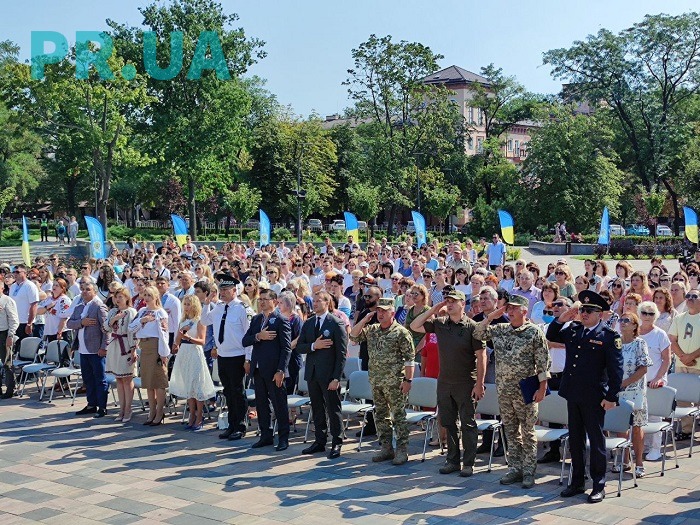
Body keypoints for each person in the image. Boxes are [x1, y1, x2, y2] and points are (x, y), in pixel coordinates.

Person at [547, 290, 624, 503]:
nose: (584, 313)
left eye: (589, 311)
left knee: (596, 441)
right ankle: (577, 481)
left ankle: (599, 484)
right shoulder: (573, 330)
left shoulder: (608, 336)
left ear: (600, 314)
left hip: (594, 396)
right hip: (573, 393)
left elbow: (616, 370)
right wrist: (561, 318)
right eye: (582, 310)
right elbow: (551, 336)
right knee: (575, 439)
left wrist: (612, 396)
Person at [474, 295, 551, 489]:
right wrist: (492, 315)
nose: (510, 311)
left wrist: (542, 389)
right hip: (505, 390)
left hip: (526, 392)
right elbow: (477, 333)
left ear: (524, 311)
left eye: (514, 308)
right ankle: (514, 468)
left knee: (528, 432)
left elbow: (543, 364)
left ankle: (528, 471)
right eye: (508, 308)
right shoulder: (501, 330)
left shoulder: (533, 333)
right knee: (510, 431)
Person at [410, 289, 486, 478]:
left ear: (463, 304)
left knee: (468, 424)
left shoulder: (472, 327)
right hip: (444, 382)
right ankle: (452, 460)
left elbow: (481, 356)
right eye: (447, 301)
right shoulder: (440, 324)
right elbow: (414, 325)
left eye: (454, 301)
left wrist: (480, 384)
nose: (449, 304)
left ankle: (468, 463)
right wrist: (434, 308)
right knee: (448, 422)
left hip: (466, 382)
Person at [350, 298, 415, 465]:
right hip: (376, 381)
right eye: (379, 310)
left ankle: (402, 449)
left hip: (395, 383)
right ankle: (386, 447)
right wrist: (364, 319)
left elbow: (409, 359)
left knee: (398, 416)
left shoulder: (401, 332)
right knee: (380, 416)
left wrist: (408, 380)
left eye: (384, 311)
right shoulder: (372, 330)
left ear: (392, 313)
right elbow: (353, 336)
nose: (380, 314)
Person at [201, 272, 253, 441]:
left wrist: (248, 358)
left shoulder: (243, 309)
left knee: (238, 392)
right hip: (222, 356)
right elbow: (204, 320)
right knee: (228, 392)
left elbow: (249, 336)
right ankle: (231, 424)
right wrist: (206, 304)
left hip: (237, 356)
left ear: (234, 290)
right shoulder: (218, 307)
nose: (222, 292)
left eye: (226, 289)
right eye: (220, 289)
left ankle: (240, 425)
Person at [296, 291, 348, 459]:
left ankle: (337, 442)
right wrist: (314, 346)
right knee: (317, 408)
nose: (315, 303)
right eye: (315, 300)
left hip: (329, 375)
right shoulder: (309, 323)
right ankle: (320, 441)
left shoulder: (335, 323)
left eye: (319, 301)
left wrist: (336, 378)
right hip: (313, 373)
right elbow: (300, 347)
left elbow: (341, 354)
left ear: (327, 303)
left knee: (333, 409)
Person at [241, 289, 292, 451]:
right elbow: (245, 340)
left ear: (274, 301)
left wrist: (281, 370)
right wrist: (258, 336)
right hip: (258, 369)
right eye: (260, 299)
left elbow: (286, 348)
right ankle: (266, 435)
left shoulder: (281, 320)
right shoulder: (256, 320)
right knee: (262, 404)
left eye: (265, 299)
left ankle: (283, 438)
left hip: (274, 370)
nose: (262, 302)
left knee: (279, 404)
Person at [170, 295, 216, 431]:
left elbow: (202, 341)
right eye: (185, 304)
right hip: (184, 352)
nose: (186, 306)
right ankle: (191, 416)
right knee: (188, 385)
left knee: (197, 386)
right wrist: (176, 344)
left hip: (195, 351)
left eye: (189, 304)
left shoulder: (199, 321)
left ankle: (199, 416)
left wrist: (188, 337)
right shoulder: (183, 320)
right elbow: (177, 339)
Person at [615, 312, 652, 478]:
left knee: (636, 428)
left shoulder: (639, 343)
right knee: (620, 427)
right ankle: (624, 460)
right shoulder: (615, 342)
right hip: (618, 390)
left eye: (626, 320)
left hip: (635, 391)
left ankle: (639, 463)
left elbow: (644, 368)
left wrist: (625, 382)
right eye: (621, 320)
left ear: (635, 325)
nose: (622, 323)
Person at [67, 282, 109, 418]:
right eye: (83, 290)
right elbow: (69, 323)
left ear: (95, 292)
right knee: (88, 379)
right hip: (83, 349)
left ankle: (102, 406)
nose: (84, 292)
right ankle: (91, 404)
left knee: (100, 379)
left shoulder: (99, 306)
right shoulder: (80, 307)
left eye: (88, 290)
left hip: (96, 350)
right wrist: (81, 322)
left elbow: (106, 329)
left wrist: (104, 347)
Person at [129, 286, 169, 425]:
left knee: (158, 381)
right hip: (144, 347)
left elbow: (164, 335)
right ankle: (151, 411)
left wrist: (163, 353)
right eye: (145, 295)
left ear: (156, 297)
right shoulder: (141, 311)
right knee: (148, 382)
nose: (146, 298)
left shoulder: (160, 313)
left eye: (149, 295)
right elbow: (131, 328)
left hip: (155, 346)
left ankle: (159, 412)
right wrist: (142, 320)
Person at [637, 301, 671, 462]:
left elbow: (666, 360)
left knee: (654, 417)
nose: (647, 316)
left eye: (651, 314)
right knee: (637, 417)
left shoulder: (660, 334)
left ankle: (655, 448)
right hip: (636, 383)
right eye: (644, 312)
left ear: (656, 315)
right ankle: (639, 446)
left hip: (654, 382)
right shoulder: (634, 332)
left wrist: (658, 378)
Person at [667, 288, 700, 441]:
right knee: (683, 399)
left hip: (698, 365)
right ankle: (687, 430)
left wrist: (691, 356)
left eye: (695, 296)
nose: (690, 298)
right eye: (688, 296)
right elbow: (672, 340)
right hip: (681, 364)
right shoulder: (679, 318)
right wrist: (683, 356)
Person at [104, 287, 138, 423]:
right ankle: (121, 408)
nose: (118, 300)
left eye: (120, 297)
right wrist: (114, 319)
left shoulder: (131, 312)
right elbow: (105, 328)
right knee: (118, 378)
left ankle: (128, 408)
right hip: (114, 345)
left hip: (126, 345)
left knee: (127, 378)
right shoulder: (113, 311)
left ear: (127, 298)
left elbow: (133, 331)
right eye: (116, 297)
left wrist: (133, 348)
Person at [0, 276, 19, 399]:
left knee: (7, 363)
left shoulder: (7, 301)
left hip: (4, 333)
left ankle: (10, 389)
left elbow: (14, 320)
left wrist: (10, 335)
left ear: (2, 288)